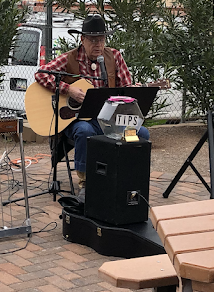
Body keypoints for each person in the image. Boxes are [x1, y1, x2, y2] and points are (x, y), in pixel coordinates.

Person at [34, 13, 150, 194]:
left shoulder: (114, 56)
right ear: (83, 40)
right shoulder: (69, 58)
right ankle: (86, 183)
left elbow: (126, 88)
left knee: (142, 133)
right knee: (84, 131)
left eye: (101, 40)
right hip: (78, 119)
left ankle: (129, 180)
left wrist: (133, 92)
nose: (98, 45)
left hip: (110, 119)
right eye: (93, 40)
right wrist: (68, 90)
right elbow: (41, 74)